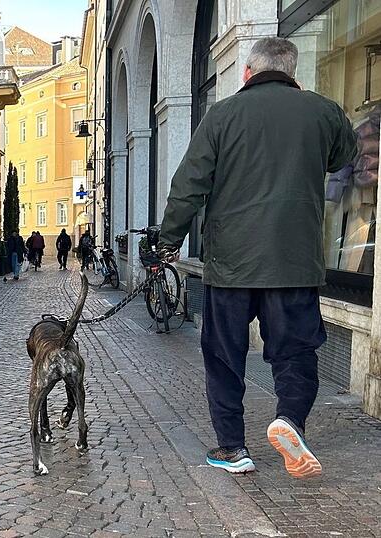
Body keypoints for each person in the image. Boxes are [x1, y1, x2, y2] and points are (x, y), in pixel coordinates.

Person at [156, 37, 357, 478]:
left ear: (247, 72)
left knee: (224, 356)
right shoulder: (322, 110)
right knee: (295, 352)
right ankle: (290, 420)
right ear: (292, 72)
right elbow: (345, 156)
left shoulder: (222, 114)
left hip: (231, 263)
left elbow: (188, 185)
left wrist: (168, 241)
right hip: (294, 261)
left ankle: (232, 448)